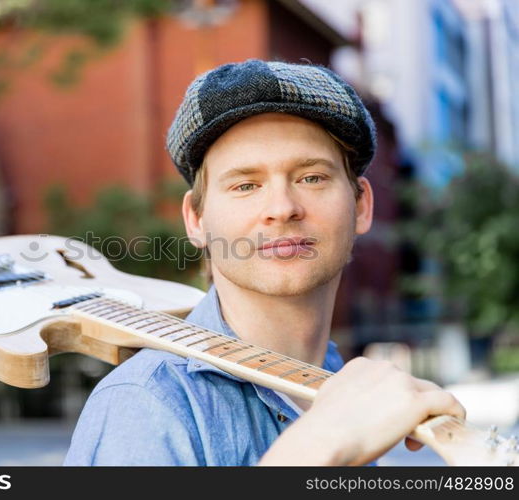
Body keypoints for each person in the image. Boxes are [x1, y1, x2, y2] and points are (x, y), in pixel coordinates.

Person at [63, 59, 465, 466]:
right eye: (246, 185)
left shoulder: (344, 386)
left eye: (311, 177)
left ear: (361, 205)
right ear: (196, 219)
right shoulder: (145, 403)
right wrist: (318, 446)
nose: (281, 208)